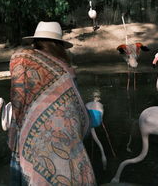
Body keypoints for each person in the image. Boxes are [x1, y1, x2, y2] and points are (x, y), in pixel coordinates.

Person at [7, 21, 96, 185]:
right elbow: (77, 112)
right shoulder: (67, 70)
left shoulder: (21, 59)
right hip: (66, 145)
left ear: (35, 41)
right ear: (59, 45)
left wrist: (21, 129)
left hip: (32, 144)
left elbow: (17, 105)